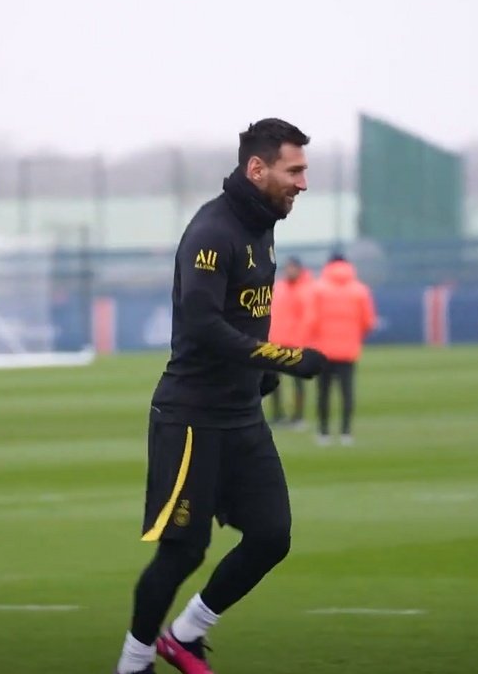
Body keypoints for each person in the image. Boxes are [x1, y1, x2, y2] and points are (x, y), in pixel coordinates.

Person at [112, 119, 327, 674]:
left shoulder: (264, 223)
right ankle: (132, 665)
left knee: (272, 536)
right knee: (183, 550)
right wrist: (283, 358)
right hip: (191, 417)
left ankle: (184, 637)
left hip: (241, 414)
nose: (303, 183)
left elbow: (243, 313)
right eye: (294, 170)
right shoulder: (212, 231)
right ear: (257, 169)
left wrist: (258, 377)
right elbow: (204, 326)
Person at [302, 253, 376, 446]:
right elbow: (368, 321)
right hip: (348, 349)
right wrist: (355, 336)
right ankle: (346, 432)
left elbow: (311, 321)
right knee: (347, 392)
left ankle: (323, 432)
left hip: (323, 350)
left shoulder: (317, 288)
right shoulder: (360, 290)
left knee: (323, 392)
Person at [266, 256, 314, 429]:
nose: (289, 271)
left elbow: (309, 318)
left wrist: (302, 339)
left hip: (296, 342)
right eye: (288, 268)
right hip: (277, 341)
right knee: (273, 380)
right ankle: (278, 414)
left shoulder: (306, 289)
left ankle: (298, 416)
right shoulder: (279, 287)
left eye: (292, 268)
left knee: (297, 382)